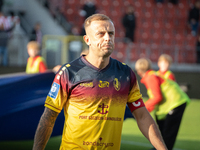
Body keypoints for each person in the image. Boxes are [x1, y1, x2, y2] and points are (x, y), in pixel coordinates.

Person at [32, 14, 167, 150]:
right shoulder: (69, 72)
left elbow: (143, 116)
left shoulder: (125, 73)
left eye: (111, 33)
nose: (107, 38)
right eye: (101, 34)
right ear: (87, 39)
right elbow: (49, 116)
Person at [135, 58, 190, 150]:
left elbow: (157, 97)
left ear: (139, 72)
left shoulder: (150, 77)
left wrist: (142, 108)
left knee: (168, 135)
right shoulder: (152, 75)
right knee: (163, 131)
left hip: (176, 103)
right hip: (172, 104)